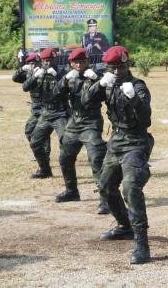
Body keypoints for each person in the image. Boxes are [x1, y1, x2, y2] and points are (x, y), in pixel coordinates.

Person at [82, 46, 154, 264]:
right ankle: (125, 226)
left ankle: (142, 244)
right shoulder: (108, 85)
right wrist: (99, 85)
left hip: (136, 142)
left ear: (127, 65)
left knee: (131, 187)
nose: (115, 72)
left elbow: (145, 119)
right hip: (116, 142)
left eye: (120, 67)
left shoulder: (138, 86)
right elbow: (85, 102)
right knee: (104, 186)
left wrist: (133, 99)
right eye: (111, 68)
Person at [52, 48, 109, 214]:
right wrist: (64, 80)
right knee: (64, 158)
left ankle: (106, 200)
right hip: (74, 122)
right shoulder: (69, 76)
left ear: (87, 62)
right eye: (75, 62)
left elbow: (108, 94)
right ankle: (72, 191)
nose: (79, 65)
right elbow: (54, 95)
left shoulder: (96, 74)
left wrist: (97, 80)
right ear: (71, 63)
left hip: (91, 122)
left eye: (82, 62)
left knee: (96, 159)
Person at [23, 48, 69, 178]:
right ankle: (45, 170)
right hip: (46, 112)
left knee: (65, 143)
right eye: (45, 61)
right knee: (35, 143)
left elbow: (69, 89)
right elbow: (25, 87)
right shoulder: (39, 72)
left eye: (50, 60)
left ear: (55, 59)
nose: (47, 63)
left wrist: (59, 77)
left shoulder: (63, 72)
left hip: (61, 113)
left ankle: (68, 173)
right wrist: (35, 76)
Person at [13, 52, 52, 163]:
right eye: (31, 63)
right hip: (35, 109)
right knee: (29, 130)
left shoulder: (46, 73)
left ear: (41, 63)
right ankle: (39, 151)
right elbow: (15, 78)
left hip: (45, 108)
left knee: (43, 132)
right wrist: (22, 69)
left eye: (35, 63)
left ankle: (44, 155)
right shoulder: (29, 74)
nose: (34, 65)